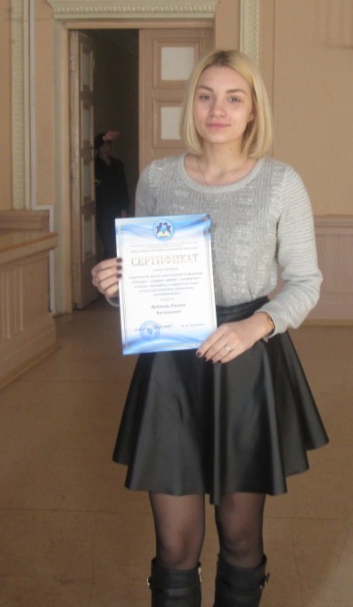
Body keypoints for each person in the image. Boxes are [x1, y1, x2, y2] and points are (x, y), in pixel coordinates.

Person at [92, 50, 328, 607]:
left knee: (241, 537)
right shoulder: (158, 178)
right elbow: (147, 276)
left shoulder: (280, 183)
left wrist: (256, 326)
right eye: (206, 96)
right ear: (192, 106)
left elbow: (306, 282)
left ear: (253, 111)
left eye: (233, 98)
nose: (217, 109)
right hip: (171, 370)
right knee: (175, 546)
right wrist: (117, 285)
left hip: (246, 365)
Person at [94, 130, 129, 259]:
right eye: (103, 146)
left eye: (108, 145)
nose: (106, 149)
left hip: (117, 209)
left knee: (119, 244)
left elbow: (123, 188)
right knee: (109, 244)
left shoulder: (117, 165)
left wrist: (124, 208)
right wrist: (103, 138)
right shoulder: (94, 165)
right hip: (102, 211)